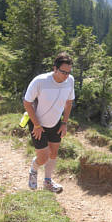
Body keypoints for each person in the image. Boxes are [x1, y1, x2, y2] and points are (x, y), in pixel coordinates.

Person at [23, 52, 75, 193]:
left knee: (53, 153)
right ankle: (34, 168)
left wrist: (64, 123)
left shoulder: (70, 80)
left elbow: (69, 102)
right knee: (43, 157)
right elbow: (27, 103)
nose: (66, 76)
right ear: (55, 68)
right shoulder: (40, 81)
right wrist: (37, 125)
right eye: (63, 72)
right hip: (37, 122)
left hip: (55, 122)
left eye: (68, 72)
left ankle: (48, 182)